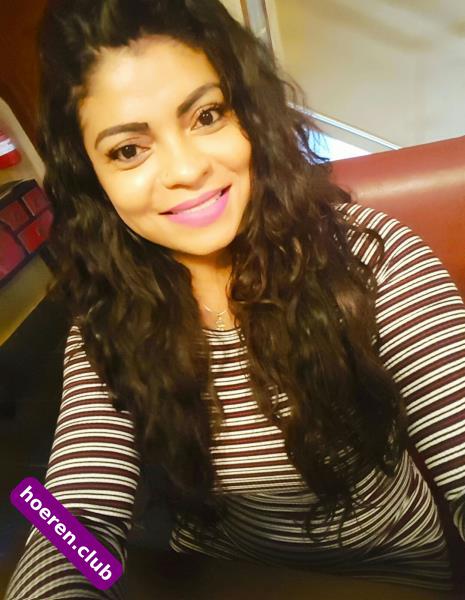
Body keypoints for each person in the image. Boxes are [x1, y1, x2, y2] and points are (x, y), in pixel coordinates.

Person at [6, 0, 465, 598]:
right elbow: (71, 519)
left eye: (206, 115)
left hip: (389, 577)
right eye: (128, 150)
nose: (186, 169)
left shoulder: (371, 260)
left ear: (247, 113)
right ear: (93, 176)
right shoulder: (107, 310)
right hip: (215, 579)